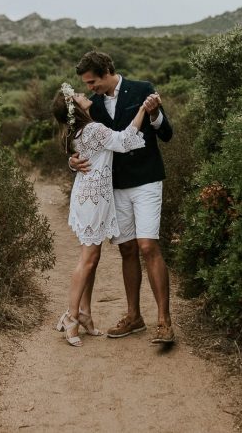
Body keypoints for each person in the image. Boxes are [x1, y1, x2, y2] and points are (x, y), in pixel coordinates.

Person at [69, 51, 175, 345]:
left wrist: (154, 113)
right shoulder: (93, 105)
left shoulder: (142, 89)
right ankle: (134, 317)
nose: (90, 88)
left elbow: (166, 134)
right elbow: (81, 138)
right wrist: (72, 161)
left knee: (147, 245)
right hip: (114, 187)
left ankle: (164, 322)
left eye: (92, 82)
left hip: (147, 180)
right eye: (87, 84)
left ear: (106, 71)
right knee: (127, 249)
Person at [52, 82, 151, 347]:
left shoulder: (78, 131)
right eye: (78, 95)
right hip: (94, 199)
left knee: (91, 258)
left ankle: (84, 313)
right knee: (88, 258)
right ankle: (71, 316)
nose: (84, 94)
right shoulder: (93, 129)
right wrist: (142, 109)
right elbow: (124, 140)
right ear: (76, 107)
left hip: (89, 195)